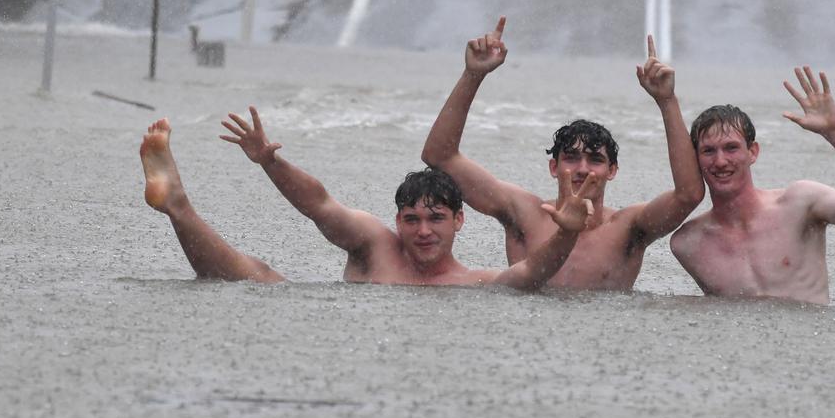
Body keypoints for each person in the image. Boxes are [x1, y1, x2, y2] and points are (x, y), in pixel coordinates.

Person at [139, 108, 596, 288]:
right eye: (411, 219)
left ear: (460, 220)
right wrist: (269, 162)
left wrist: (567, 233)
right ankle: (177, 203)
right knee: (259, 278)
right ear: (396, 221)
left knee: (251, 280)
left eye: (435, 218)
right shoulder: (375, 244)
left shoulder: (478, 282)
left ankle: (176, 204)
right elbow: (318, 205)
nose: (422, 231)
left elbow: (536, 270)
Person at [421, 17, 704, 290]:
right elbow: (439, 156)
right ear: (553, 168)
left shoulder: (628, 228)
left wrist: (667, 101)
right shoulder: (522, 214)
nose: (582, 168)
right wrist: (473, 74)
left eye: (595, 160)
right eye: (571, 158)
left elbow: (689, 194)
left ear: (612, 171)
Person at [670, 66, 835, 304]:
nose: (720, 161)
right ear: (696, 159)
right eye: (709, 151)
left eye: (731, 148)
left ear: (753, 152)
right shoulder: (689, 243)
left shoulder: (801, 204)